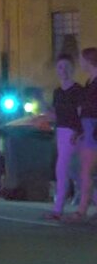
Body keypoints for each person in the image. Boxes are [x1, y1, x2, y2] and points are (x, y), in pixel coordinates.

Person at [44, 54, 83, 219]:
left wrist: (79, 131)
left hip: (73, 133)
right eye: (60, 67)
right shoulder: (58, 92)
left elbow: (82, 114)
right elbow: (56, 115)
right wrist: (45, 115)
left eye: (66, 67)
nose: (63, 70)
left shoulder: (78, 90)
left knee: (62, 169)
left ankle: (58, 209)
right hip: (61, 133)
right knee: (75, 172)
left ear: (72, 69)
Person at [66, 48, 97, 222]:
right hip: (88, 128)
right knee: (82, 169)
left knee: (85, 170)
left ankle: (82, 210)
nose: (80, 62)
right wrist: (79, 130)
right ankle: (83, 208)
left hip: (93, 128)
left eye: (81, 59)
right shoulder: (89, 82)